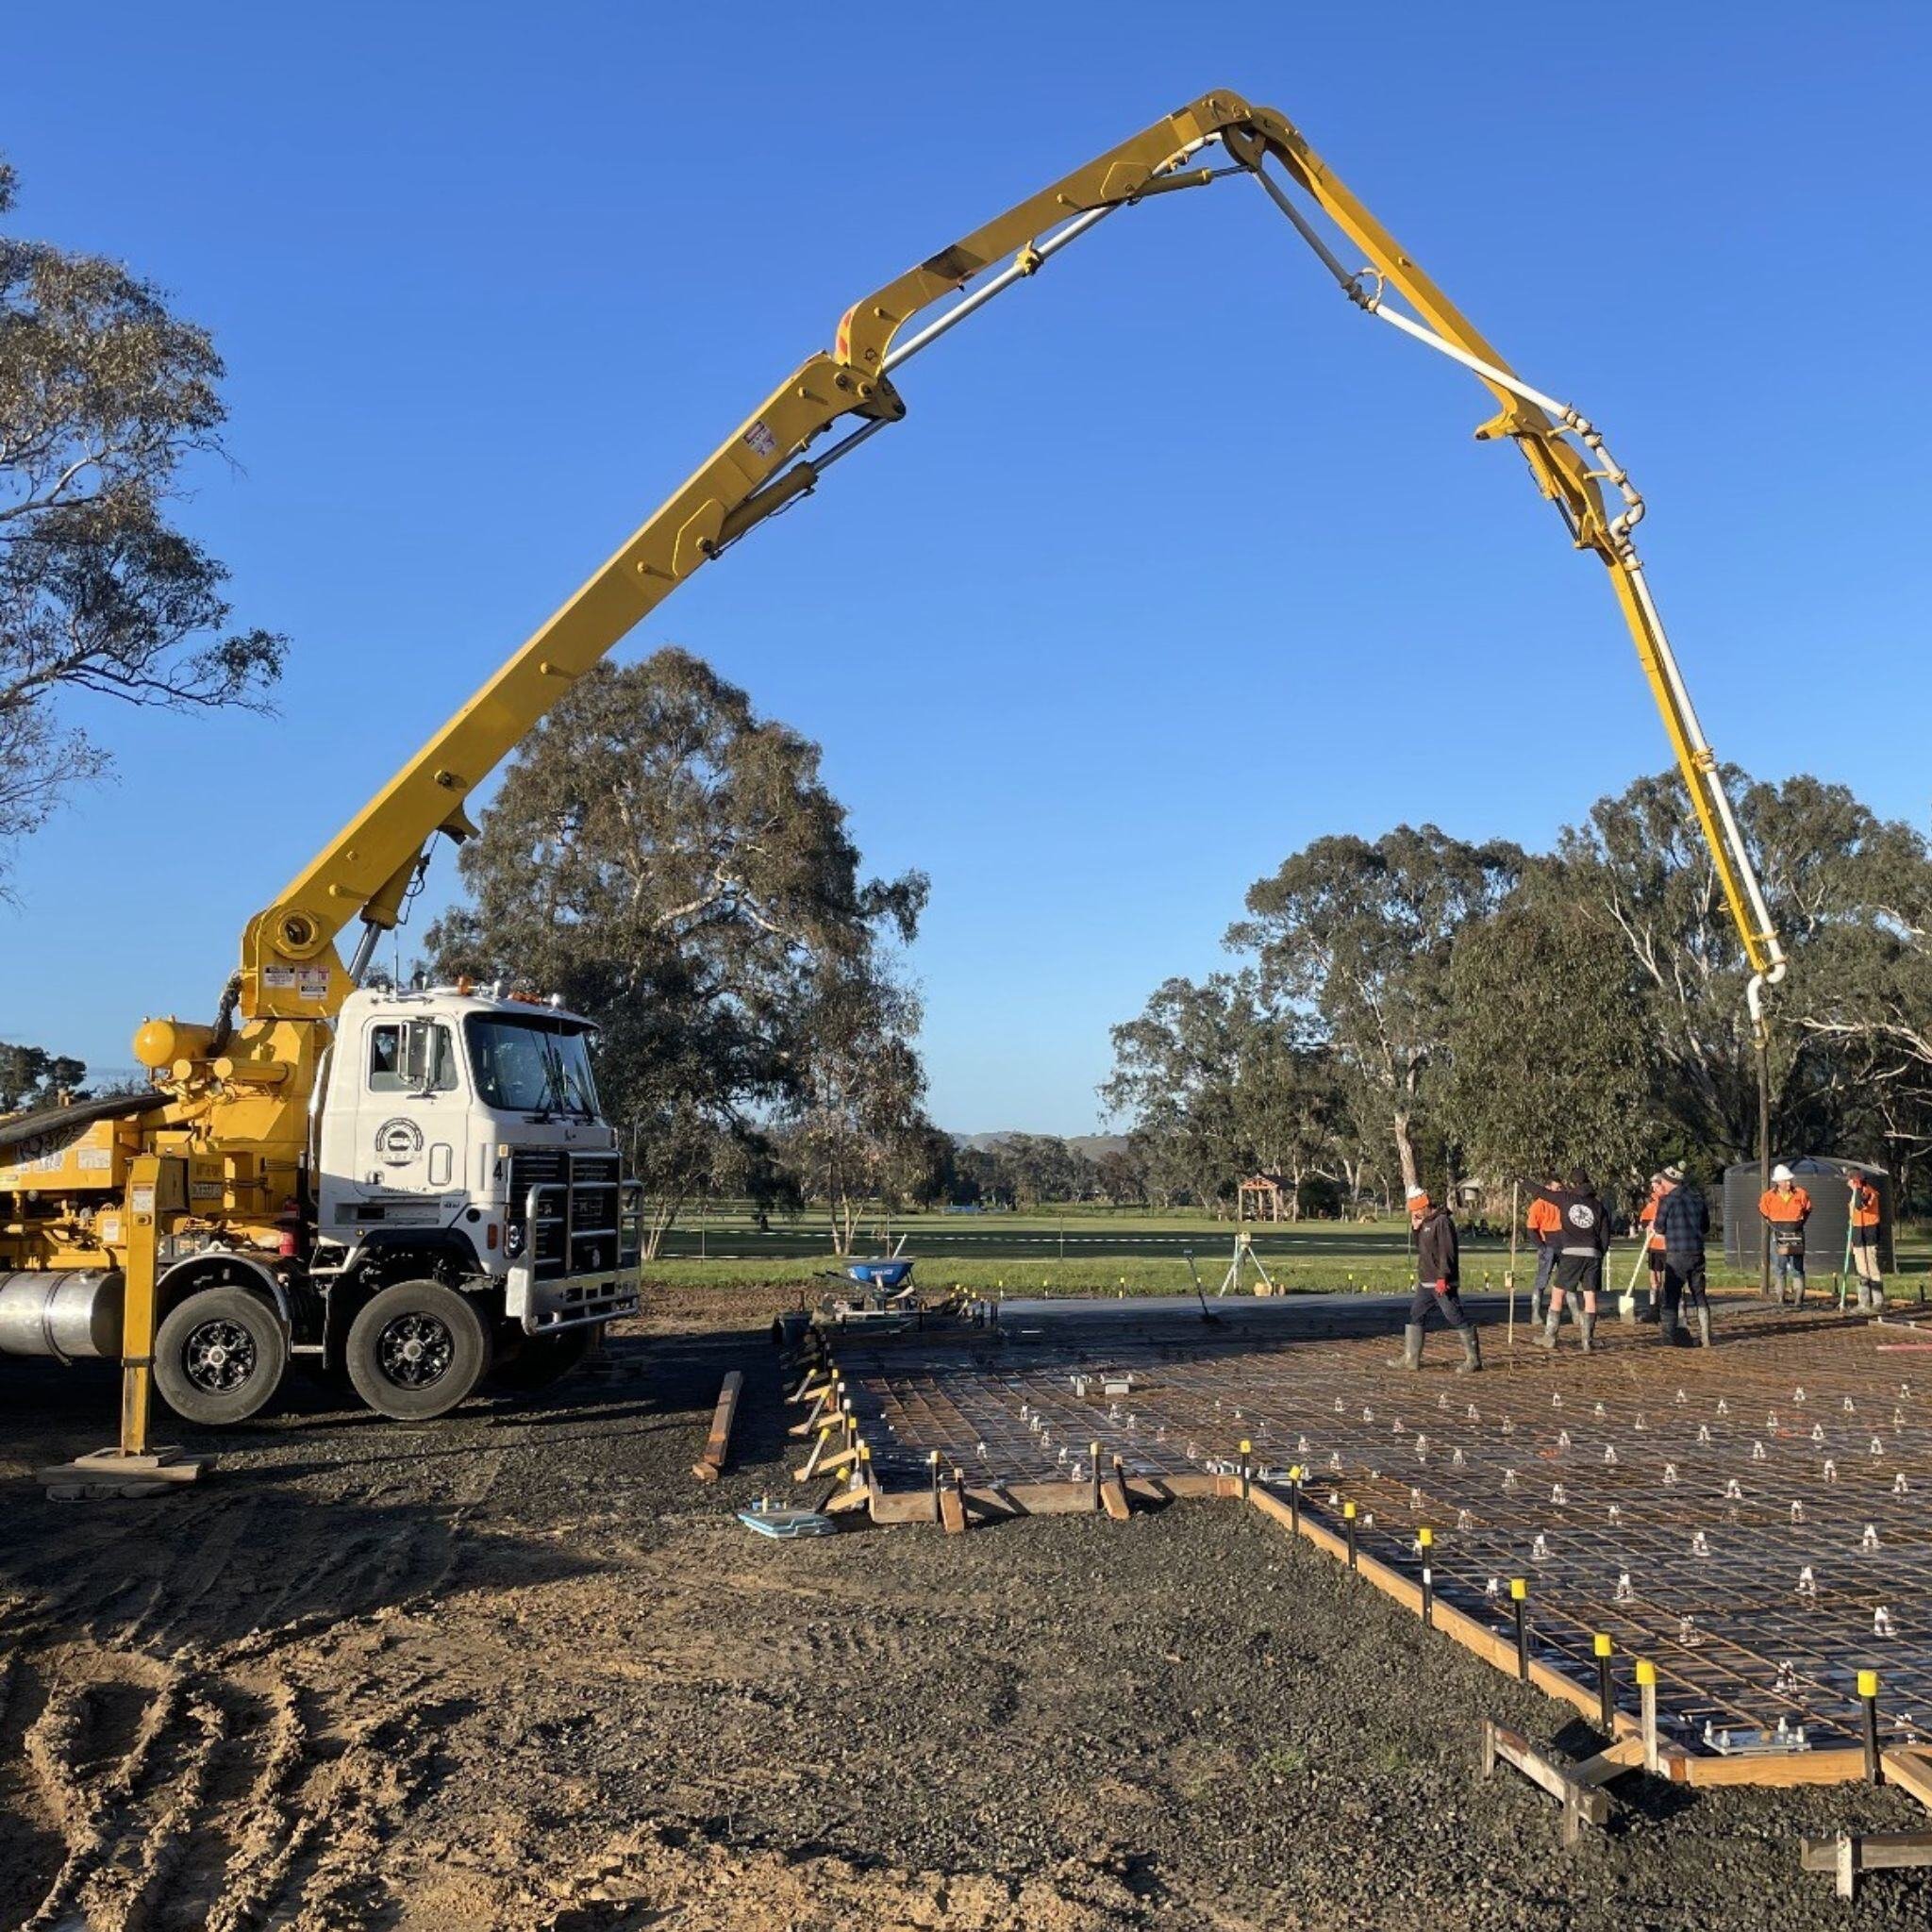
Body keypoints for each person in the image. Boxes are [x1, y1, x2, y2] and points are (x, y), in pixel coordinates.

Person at [1390, 1185, 1480, 1374]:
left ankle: (1473, 1359)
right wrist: (1416, 1230)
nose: (1413, 1212)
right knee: (1416, 1314)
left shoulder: (1442, 1222)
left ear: (1424, 1205)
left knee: (1454, 1315)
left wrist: (1442, 1278)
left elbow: (1446, 1252)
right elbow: (1422, 1249)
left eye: (1415, 1209)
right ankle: (1410, 1358)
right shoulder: (1424, 1223)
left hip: (1442, 1280)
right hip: (1426, 1281)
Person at [1538, 1167, 1610, 1352]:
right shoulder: (1598, 1206)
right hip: (1593, 1254)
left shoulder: (1566, 1198)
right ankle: (1588, 1341)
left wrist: (1522, 1181)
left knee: (1558, 1293)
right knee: (1590, 1296)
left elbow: (1541, 1192)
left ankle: (1550, 1337)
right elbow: (1605, 1236)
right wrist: (1599, 1253)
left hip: (1571, 1253)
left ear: (1572, 1184)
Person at [1654, 1163, 1712, 1346]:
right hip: (1696, 1252)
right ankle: (1705, 1335)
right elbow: (1705, 1227)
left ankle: (1668, 1338)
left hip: (1677, 1253)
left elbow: (1659, 1227)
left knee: (1671, 1295)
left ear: (1669, 1181)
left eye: (1662, 1180)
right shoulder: (1697, 1198)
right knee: (1699, 1294)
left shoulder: (1668, 1201)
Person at [1760, 1164, 1812, 1307]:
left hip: (1796, 1232)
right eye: (1786, 1180)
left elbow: (1808, 1209)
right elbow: (1764, 1213)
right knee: (1780, 1266)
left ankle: (1798, 1299)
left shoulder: (1801, 1193)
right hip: (1778, 1233)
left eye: (1790, 1180)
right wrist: (1775, 1226)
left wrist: (1800, 1224)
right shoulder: (1768, 1197)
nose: (1789, 1183)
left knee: (1797, 1267)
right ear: (1778, 1182)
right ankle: (1781, 1298)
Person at [1524, 1167, 1563, 1325]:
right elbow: (1531, 1229)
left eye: (1561, 1187)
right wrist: (1541, 1247)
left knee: (1565, 1280)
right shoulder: (1538, 1206)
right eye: (1557, 1187)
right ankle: (1535, 1314)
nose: (1560, 1190)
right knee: (1542, 1280)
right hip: (1547, 1246)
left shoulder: (1563, 1202)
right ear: (1548, 1188)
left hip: (1563, 1246)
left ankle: (1572, 1313)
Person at [1847, 1169, 1884, 1311]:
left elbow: (1859, 1206)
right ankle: (1863, 1302)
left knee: (1872, 1266)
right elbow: (1853, 1214)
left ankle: (1878, 1301)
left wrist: (1856, 1189)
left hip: (1870, 1231)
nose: (1848, 1183)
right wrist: (1851, 1237)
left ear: (1855, 1181)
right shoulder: (1854, 1194)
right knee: (1862, 1268)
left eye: (1850, 1180)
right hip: (1857, 1231)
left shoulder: (1869, 1192)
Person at [1636, 1174, 1668, 1324]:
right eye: (1653, 1186)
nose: (1654, 1188)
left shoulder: (1670, 1201)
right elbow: (1643, 1220)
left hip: (1668, 1246)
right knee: (1654, 1278)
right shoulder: (1652, 1203)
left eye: (1656, 1185)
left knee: (1670, 1278)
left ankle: (1670, 1309)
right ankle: (1653, 1308)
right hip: (1653, 1245)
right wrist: (1647, 1225)